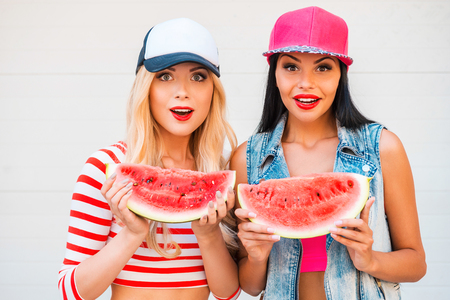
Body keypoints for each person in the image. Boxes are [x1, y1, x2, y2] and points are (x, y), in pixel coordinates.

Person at [231, 6, 426, 300]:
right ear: (275, 74)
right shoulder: (248, 158)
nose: (305, 83)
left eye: (323, 67)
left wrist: (369, 259)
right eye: (291, 66)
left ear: (340, 75)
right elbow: (251, 285)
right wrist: (257, 257)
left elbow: (416, 263)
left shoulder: (382, 148)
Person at [58, 18, 241, 300]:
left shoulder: (218, 171)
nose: (183, 91)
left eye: (198, 76)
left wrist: (208, 235)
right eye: (165, 76)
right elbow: (71, 291)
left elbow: (227, 292)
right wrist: (132, 234)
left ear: (213, 92)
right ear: (146, 88)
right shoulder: (106, 167)